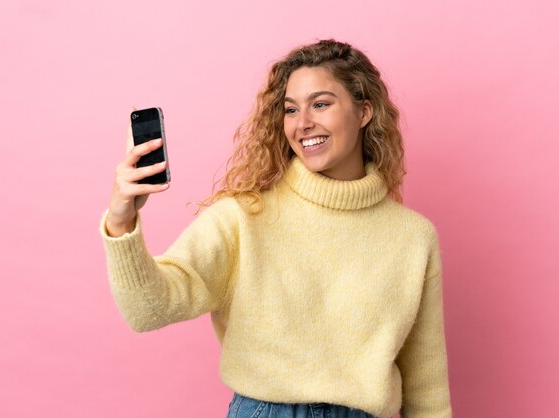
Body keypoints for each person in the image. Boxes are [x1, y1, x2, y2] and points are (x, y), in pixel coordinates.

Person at [100, 39, 452, 418]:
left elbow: (425, 384)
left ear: (364, 111)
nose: (302, 124)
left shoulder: (413, 237)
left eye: (321, 104)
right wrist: (121, 220)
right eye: (290, 109)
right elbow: (146, 311)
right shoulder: (243, 217)